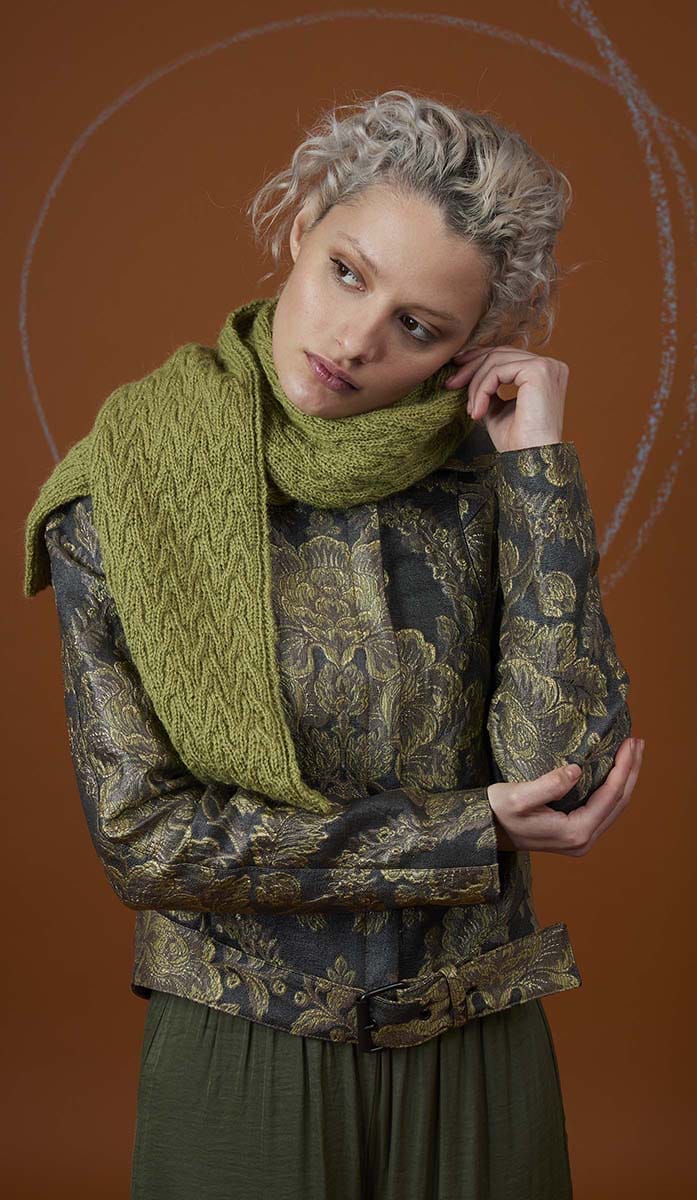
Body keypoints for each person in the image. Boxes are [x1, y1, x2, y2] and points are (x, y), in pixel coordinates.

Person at [23, 89, 644, 1199]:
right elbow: (145, 842)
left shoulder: (490, 478)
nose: (356, 341)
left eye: (419, 327)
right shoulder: (128, 485)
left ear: (470, 345)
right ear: (302, 224)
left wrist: (539, 469)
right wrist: (463, 832)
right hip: (242, 1046)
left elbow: (562, 772)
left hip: (475, 1044)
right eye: (347, 273)